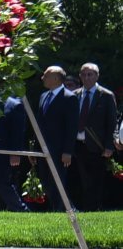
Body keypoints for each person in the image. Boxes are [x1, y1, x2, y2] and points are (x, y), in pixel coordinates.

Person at [72, 63, 116, 211]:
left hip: (97, 145)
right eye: (83, 74)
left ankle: (95, 208)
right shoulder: (75, 95)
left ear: (97, 76)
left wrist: (109, 146)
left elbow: (111, 123)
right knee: (81, 179)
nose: (86, 77)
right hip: (78, 144)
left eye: (90, 74)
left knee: (96, 180)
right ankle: (84, 208)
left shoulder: (106, 96)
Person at [33, 65, 78, 202]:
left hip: (59, 150)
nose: (42, 78)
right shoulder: (43, 96)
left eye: (45, 76)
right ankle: (53, 209)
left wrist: (67, 151)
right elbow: (39, 124)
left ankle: (60, 209)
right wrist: (34, 149)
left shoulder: (69, 98)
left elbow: (72, 127)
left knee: (57, 181)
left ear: (55, 78)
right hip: (43, 148)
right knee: (45, 180)